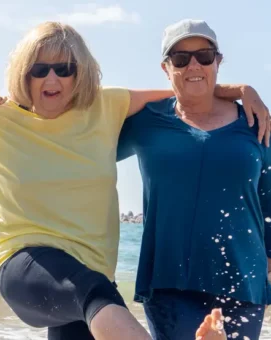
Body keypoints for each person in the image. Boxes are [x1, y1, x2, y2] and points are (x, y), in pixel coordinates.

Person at [0, 20, 268, 340]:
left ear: (79, 73)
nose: (52, 79)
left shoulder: (107, 107)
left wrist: (236, 89)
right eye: (40, 69)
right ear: (23, 74)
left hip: (86, 286)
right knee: (97, 295)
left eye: (64, 69)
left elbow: (183, 89)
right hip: (27, 266)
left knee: (93, 302)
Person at [115, 19, 271, 340]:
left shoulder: (256, 122)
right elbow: (82, 144)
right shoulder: (148, 122)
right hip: (169, 282)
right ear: (165, 68)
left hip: (242, 281)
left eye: (204, 55)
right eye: (181, 59)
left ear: (218, 60)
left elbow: (269, 198)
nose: (193, 65)